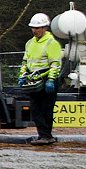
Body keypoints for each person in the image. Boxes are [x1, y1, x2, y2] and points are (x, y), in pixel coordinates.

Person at [19, 13, 62, 146]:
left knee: (46, 109)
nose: (34, 30)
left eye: (37, 28)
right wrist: (22, 75)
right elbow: (25, 62)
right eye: (33, 28)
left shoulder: (52, 43)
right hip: (34, 80)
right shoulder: (30, 43)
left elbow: (55, 63)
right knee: (35, 109)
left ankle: (46, 136)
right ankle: (42, 135)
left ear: (45, 28)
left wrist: (51, 79)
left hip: (46, 80)